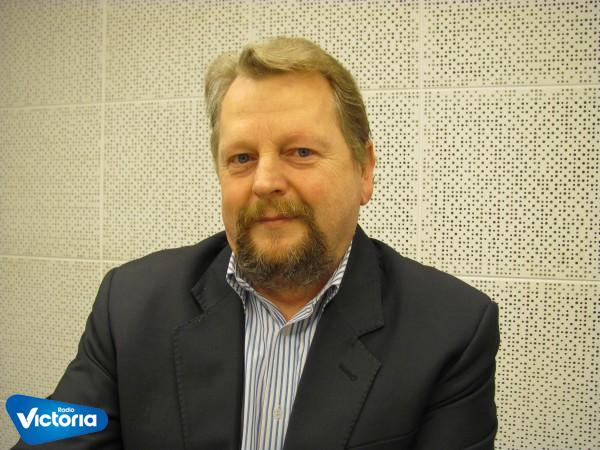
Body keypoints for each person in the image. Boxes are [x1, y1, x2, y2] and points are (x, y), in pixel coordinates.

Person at [12, 37, 499, 450]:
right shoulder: (130, 305)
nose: (265, 182)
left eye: (300, 152)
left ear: (364, 170)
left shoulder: (450, 330)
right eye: (242, 158)